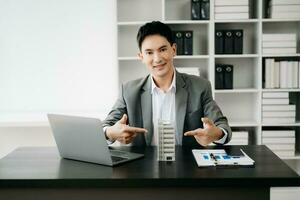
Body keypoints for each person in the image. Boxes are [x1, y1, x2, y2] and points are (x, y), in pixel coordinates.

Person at [103, 21, 231, 147]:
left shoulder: (200, 87)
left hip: (188, 165)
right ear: (141, 56)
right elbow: (105, 127)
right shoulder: (128, 91)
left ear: (173, 50)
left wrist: (216, 134)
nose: (157, 59)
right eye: (149, 52)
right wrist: (110, 132)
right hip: (142, 165)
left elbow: (222, 126)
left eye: (162, 49)